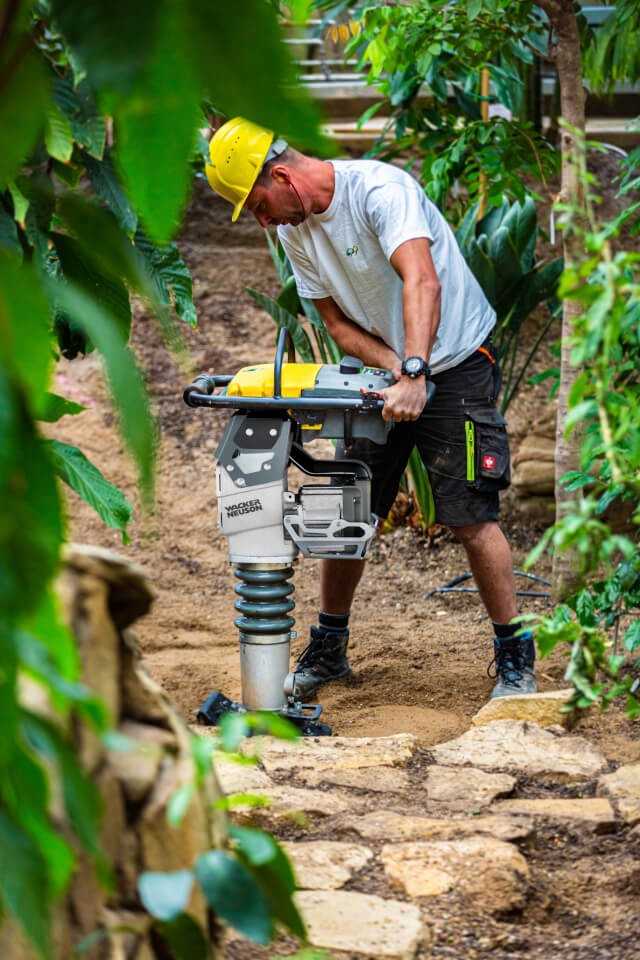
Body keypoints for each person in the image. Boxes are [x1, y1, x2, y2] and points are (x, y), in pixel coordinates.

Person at [205, 116, 536, 701]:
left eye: (258, 204)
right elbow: (334, 324)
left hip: (457, 357)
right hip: (390, 372)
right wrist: (393, 366)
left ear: (282, 175)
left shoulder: (380, 190)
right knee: (348, 505)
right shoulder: (294, 234)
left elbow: (423, 282)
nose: (261, 220)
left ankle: (514, 657)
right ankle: (330, 649)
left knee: (468, 514)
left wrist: (416, 370)